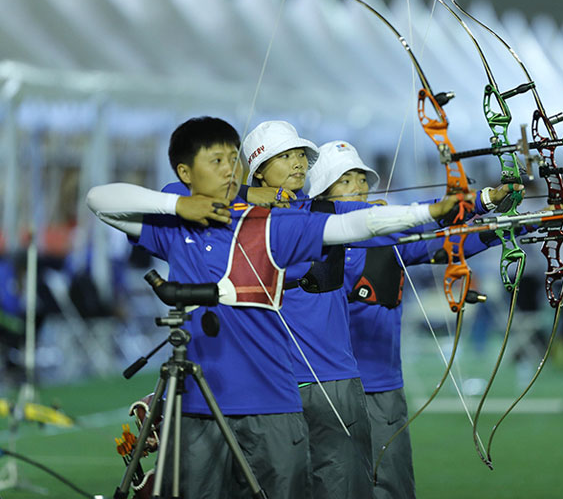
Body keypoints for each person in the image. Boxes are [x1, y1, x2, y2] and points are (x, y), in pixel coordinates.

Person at [86, 117, 467, 499]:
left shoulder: (274, 225)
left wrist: (432, 212)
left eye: (232, 160)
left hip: (273, 397)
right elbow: (100, 200)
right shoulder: (177, 226)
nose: (228, 170)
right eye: (217, 161)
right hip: (205, 399)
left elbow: (355, 225)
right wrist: (185, 204)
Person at [307, 139, 513, 499]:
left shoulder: (389, 236)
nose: (358, 187)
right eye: (345, 181)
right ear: (323, 195)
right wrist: (478, 202)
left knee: (393, 485)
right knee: (335, 486)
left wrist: (510, 227)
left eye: (361, 179)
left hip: (383, 384)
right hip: (329, 387)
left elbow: (446, 244)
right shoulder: (311, 240)